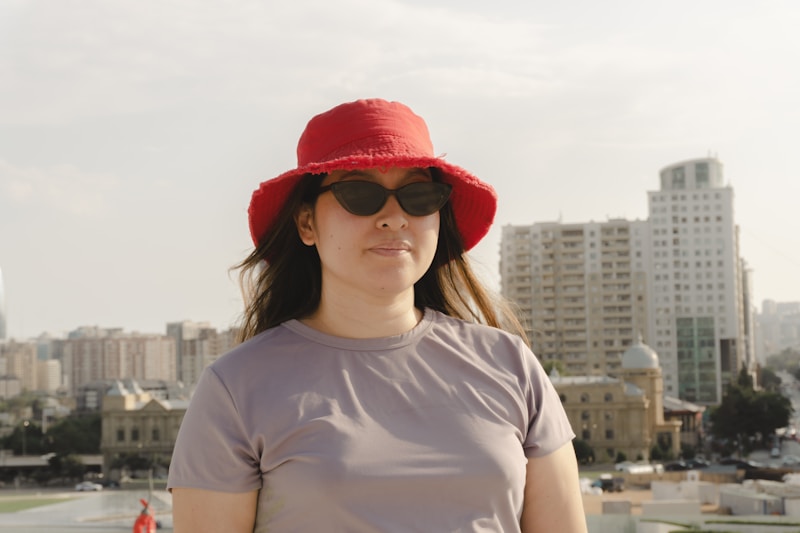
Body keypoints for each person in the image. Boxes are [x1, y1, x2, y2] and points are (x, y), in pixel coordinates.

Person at [167, 98, 587, 532]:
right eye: (360, 193)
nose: (393, 218)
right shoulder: (236, 389)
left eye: (418, 196)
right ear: (306, 223)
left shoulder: (511, 366)